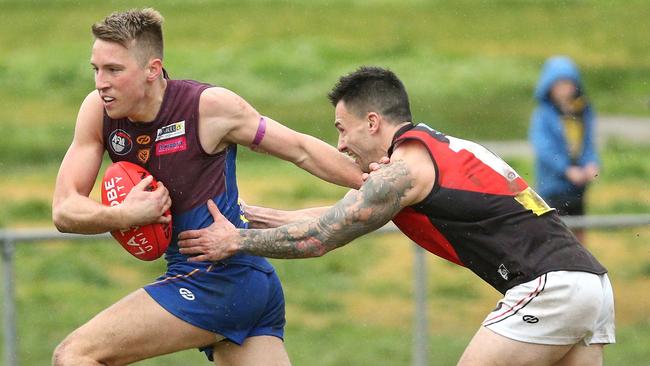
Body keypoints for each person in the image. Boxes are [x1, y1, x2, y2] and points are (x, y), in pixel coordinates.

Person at [178, 66, 616, 365]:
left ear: (372, 122)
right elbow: (338, 216)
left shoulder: (405, 171)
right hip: (590, 285)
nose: (341, 146)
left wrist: (235, 241)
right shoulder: (432, 153)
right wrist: (249, 217)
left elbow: (320, 238)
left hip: (548, 287)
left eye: (340, 129)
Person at [51, 8, 364, 366]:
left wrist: (377, 181)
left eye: (114, 70)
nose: (100, 82)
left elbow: (301, 150)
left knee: (74, 355)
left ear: (153, 69)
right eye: (96, 69)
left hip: (214, 278)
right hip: (242, 286)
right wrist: (124, 215)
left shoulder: (208, 108)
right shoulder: (98, 112)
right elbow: (64, 210)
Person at [529, 56, 601, 244]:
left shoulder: (582, 111)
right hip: (553, 186)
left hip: (578, 186)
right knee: (555, 234)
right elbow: (544, 149)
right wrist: (566, 170)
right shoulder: (543, 115)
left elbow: (587, 142)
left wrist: (591, 163)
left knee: (578, 234)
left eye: (567, 83)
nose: (564, 89)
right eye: (558, 84)